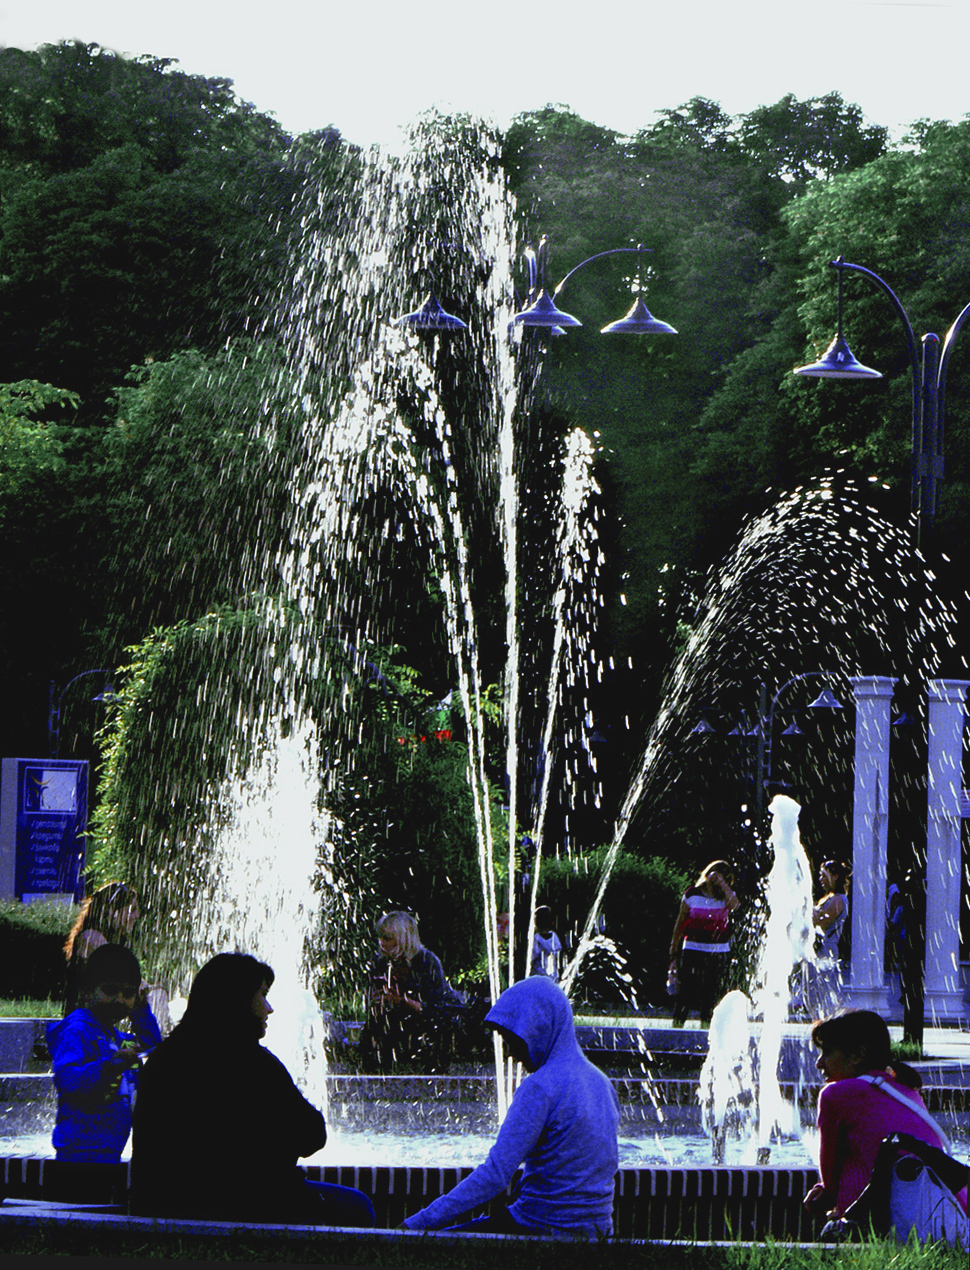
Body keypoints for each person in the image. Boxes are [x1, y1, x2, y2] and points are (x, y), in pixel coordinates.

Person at [130, 952, 374, 1226]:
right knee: (358, 1207)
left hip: (163, 1208)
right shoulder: (253, 1063)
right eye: (262, 995)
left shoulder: (163, 1059)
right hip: (247, 1206)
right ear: (239, 998)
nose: (269, 1008)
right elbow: (313, 1134)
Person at [401, 975, 619, 1236]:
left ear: (538, 1028)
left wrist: (417, 1223)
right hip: (598, 1231)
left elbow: (495, 1175)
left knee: (435, 1246)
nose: (510, 1053)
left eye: (514, 1039)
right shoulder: (601, 1082)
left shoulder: (541, 1087)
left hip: (541, 1227)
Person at [803, 1009, 968, 1221]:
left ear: (857, 1056)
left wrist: (822, 1197)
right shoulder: (906, 1089)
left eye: (826, 1052)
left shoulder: (835, 1094)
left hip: (879, 1219)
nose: (819, 1062)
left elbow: (830, 1181)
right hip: (944, 1216)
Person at [46, 943, 162, 1163]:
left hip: (109, 1150)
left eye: (128, 993)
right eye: (110, 990)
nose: (119, 999)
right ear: (87, 991)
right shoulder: (77, 1030)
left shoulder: (116, 1037)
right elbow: (67, 1080)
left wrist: (140, 1012)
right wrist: (109, 1066)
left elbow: (158, 1054)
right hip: (78, 1153)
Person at [358, 910, 463, 1072]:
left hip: (429, 1020)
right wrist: (377, 1001)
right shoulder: (379, 962)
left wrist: (403, 1001)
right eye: (380, 937)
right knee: (374, 1028)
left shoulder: (426, 961)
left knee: (439, 1028)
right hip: (396, 1021)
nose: (381, 942)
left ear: (402, 939)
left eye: (387, 938)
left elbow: (437, 1008)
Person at [668, 860, 739, 1027]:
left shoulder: (726, 897)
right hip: (693, 948)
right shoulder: (692, 894)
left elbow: (735, 905)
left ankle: (707, 1026)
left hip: (718, 950)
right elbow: (681, 920)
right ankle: (678, 1024)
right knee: (687, 989)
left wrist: (723, 885)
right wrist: (674, 944)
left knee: (711, 991)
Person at [805, 859, 851, 1016]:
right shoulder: (829, 897)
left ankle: (833, 1018)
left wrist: (805, 909)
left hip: (826, 950)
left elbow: (821, 922)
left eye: (824, 876)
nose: (821, 879)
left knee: (827, 989)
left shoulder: (839, 899)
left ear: (835, 877)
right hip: (819, 949)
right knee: (816, 989)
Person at [530, 905, 563, 981]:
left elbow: (532, 957)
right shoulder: (555, 937)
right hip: (553, 978)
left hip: (538, 978)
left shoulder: (536, 939)